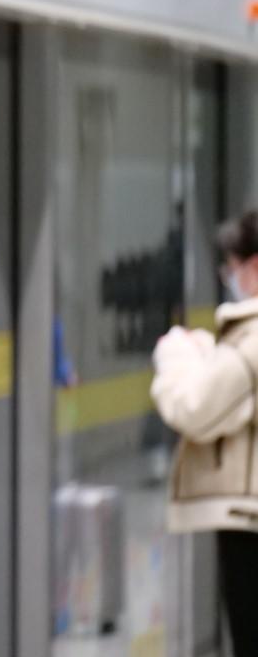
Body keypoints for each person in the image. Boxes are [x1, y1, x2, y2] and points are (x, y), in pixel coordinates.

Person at [151, 208, 258, 655]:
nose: (230, 278)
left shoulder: (253, 340)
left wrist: (177, 355)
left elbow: (195, 407)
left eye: (232, 267)